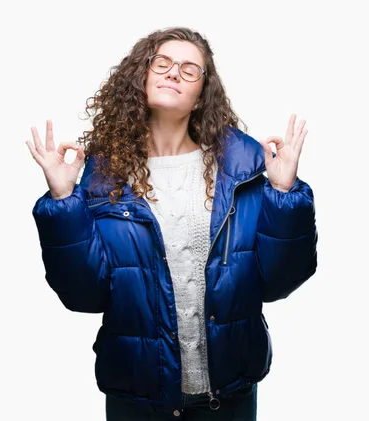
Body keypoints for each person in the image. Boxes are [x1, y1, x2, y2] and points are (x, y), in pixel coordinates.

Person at [26, 26, 318, 421]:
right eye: (162, 62)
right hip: (137, 398)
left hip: (228, 398)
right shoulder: (103, 180)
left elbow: (278, 282)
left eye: (189, 68)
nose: (173, 72)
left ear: (201, 95)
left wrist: (284, 195)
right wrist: (64, 201)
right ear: (142, 75)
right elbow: (84, 296)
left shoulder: (243, 173)